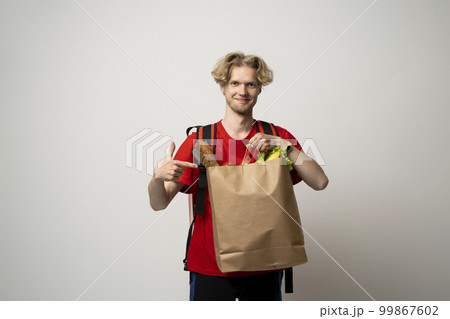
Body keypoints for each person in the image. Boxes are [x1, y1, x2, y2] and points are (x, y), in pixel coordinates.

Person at [148, 52, 329, 301]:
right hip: (210, 267)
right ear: (222, 87)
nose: (242, 91)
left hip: (264, 264)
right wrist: (156, 178)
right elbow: (159, 203)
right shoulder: (201, 141)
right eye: (235, 83)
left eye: (250, 84)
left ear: (259, 89)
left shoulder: (275, 137)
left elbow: (320, 182)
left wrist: (287, 147)